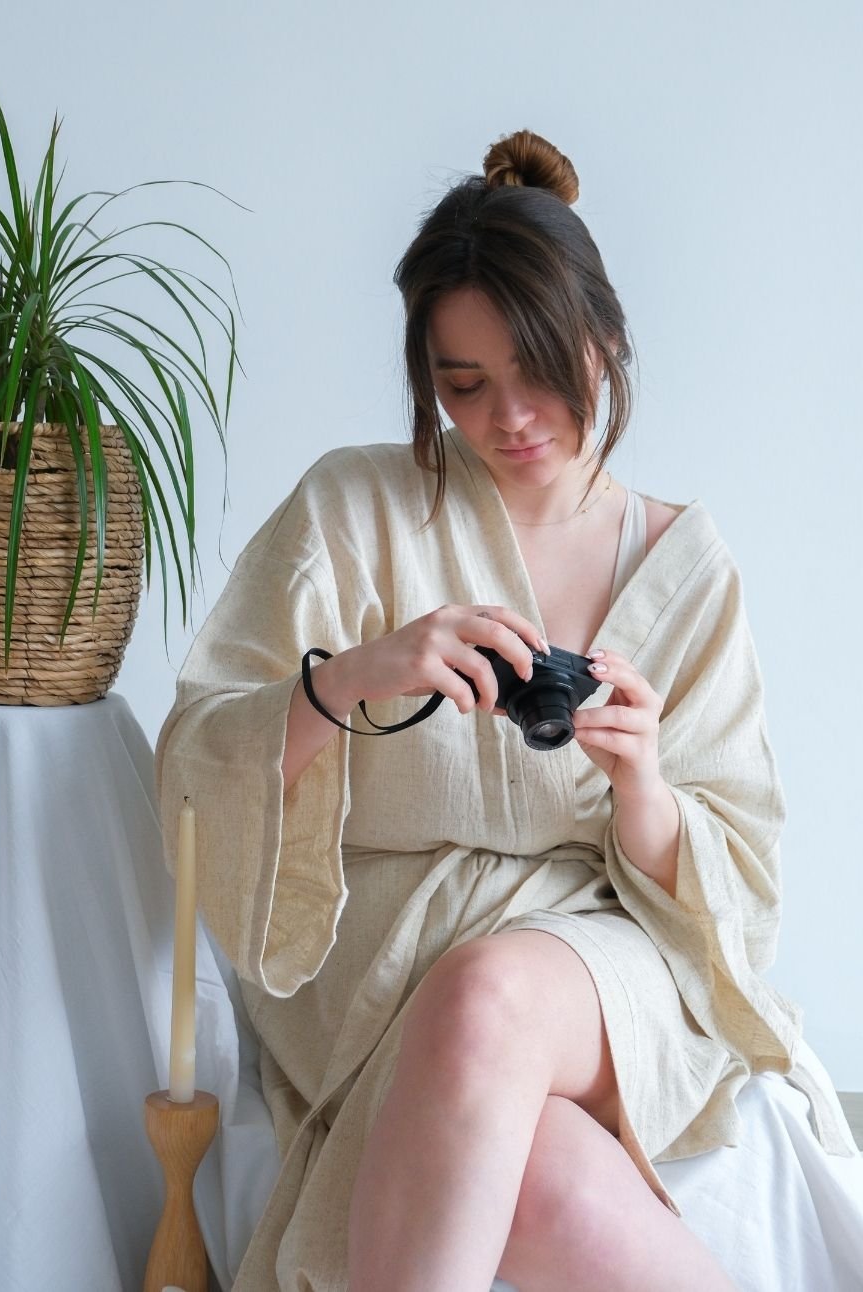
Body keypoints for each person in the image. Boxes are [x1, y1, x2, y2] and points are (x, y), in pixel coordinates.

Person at [155, 130, 848, 1292]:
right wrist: (356, 674)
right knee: (534, 1176)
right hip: (378, 952)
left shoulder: (685, 568)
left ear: (603, 339)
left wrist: (642, 785)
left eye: (536, 372)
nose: (508, 417)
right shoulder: (354, 506)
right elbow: (191, 769)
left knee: (482, 997)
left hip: (595, 956)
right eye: (462, 384)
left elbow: (738, 881)